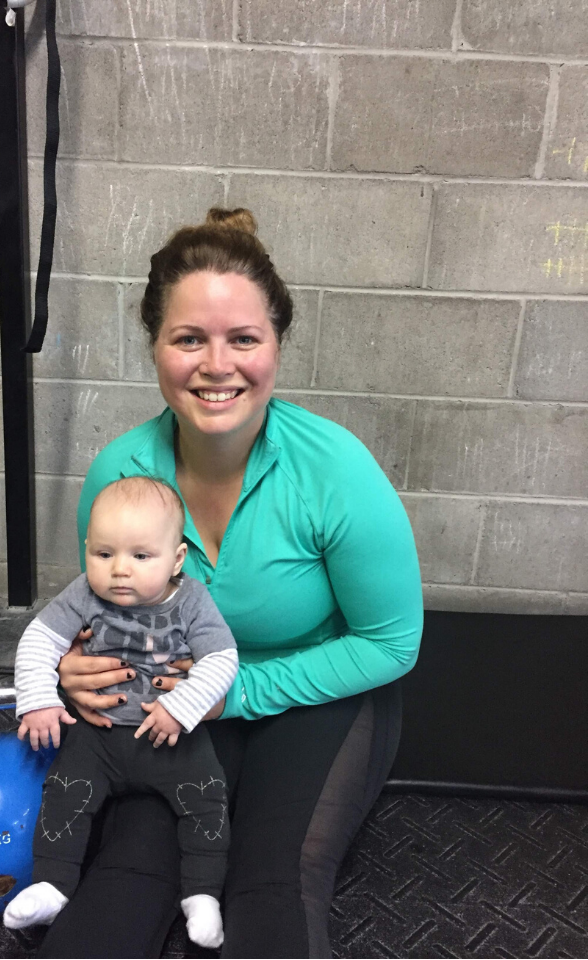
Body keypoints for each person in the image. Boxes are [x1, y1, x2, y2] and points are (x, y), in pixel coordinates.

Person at [38, 207, 424, 959]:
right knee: (129, 871)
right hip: (172, 693)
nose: (218, 365)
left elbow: (392, 640)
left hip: (316, 686)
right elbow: (101, 605)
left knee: (270, 879)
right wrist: (70, 669)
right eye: (190, 339)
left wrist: (234, 693)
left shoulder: (335, 471)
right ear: (155, 346)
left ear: (276, 344)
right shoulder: (121, 471)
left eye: (243, 339)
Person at [3, 476, 238, 949]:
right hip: (99, 734)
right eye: (104, 554)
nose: (119, 571)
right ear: (86, 550)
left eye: (141, 556)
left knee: (207, 803)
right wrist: (39, 699)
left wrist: (182, 706)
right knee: (65, 795)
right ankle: (52, 884)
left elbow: (222, 657)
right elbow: (39, 640)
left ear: (176, 560)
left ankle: (202, 895)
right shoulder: (83, 595)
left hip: (168, 736)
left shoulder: (191, 600)